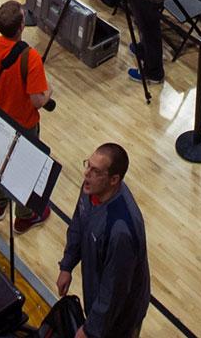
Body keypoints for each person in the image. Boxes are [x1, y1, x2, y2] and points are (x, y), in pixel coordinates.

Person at [0, 0, 53, 228]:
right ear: (21, 27)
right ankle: (24, 216)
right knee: (23, 170)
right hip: (24, 124)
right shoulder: (31, 57)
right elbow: (37, 101)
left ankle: (0, 203)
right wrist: (49, 92)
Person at [56, 143, 150, 338]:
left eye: (95, 171)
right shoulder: (90, 189)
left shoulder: (121, 230)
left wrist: (90, 330)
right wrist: (67, 265)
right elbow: (77, 224)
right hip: (97, 293)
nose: (86, 174)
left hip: (121, 317)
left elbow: (114, 289)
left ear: (114, 179)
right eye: (87, 165)